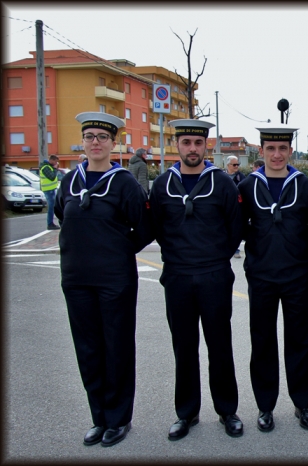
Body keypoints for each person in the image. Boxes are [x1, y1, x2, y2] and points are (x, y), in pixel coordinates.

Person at [55, 112, 151, 447]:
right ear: (83, 142)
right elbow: (61, 214)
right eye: (89, 136)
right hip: (77, 279)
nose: (95, 142)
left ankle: (119, 418)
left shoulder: (124, 182)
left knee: (117, 348)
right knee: (89, 350)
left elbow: (144, 226)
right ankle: (99, 418)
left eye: (102, 137)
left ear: (113, 143)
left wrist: (117, 250)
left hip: (115, 279)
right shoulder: (69, 181)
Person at [149, 119, 245, 441]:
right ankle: (186, 413)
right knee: (184, 347)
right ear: (177, 145)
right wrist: (179, 258)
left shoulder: (223, 183)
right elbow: (158, 229)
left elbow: (235, 230)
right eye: (186, 142)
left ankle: (227, 410)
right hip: (177, 277)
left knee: (220, 345)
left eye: (198, 143)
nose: (192, 148)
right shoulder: (162, 184)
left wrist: (214, 260)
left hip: (214, 276)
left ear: (208, 146)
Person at [237, 125, 308, 433]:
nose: (276, 154)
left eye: (282, 149)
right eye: (270, 149)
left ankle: (302, 403)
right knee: (262, 340)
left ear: (290, 151)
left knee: (299, 339)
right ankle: (265, 406)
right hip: (260, 275)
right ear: (261, 151)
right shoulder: (248, 186)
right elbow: (241, 226)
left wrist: (294, 245)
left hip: (296, 274)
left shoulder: (305, 186)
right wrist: (262, 246)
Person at [226, 155, 246, 258]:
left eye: (238, 164)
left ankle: (236, 250)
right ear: (228, 165)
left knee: (236, 228)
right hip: (225, 207)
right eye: (234, 165)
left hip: (238, 206)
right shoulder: (221, 177)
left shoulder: (241, 177)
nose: (236, 166)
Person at [40, 154, 61, 230]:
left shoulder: (49, 167)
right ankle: (50, 224)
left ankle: (52, 223)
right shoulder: (45, 167)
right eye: (55, 161)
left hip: (52, 189)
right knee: (51, 207)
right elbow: (52, 177)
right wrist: (55, 169)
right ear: (51, 160)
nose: (56, 163)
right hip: (48, 190)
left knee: (54, 206)